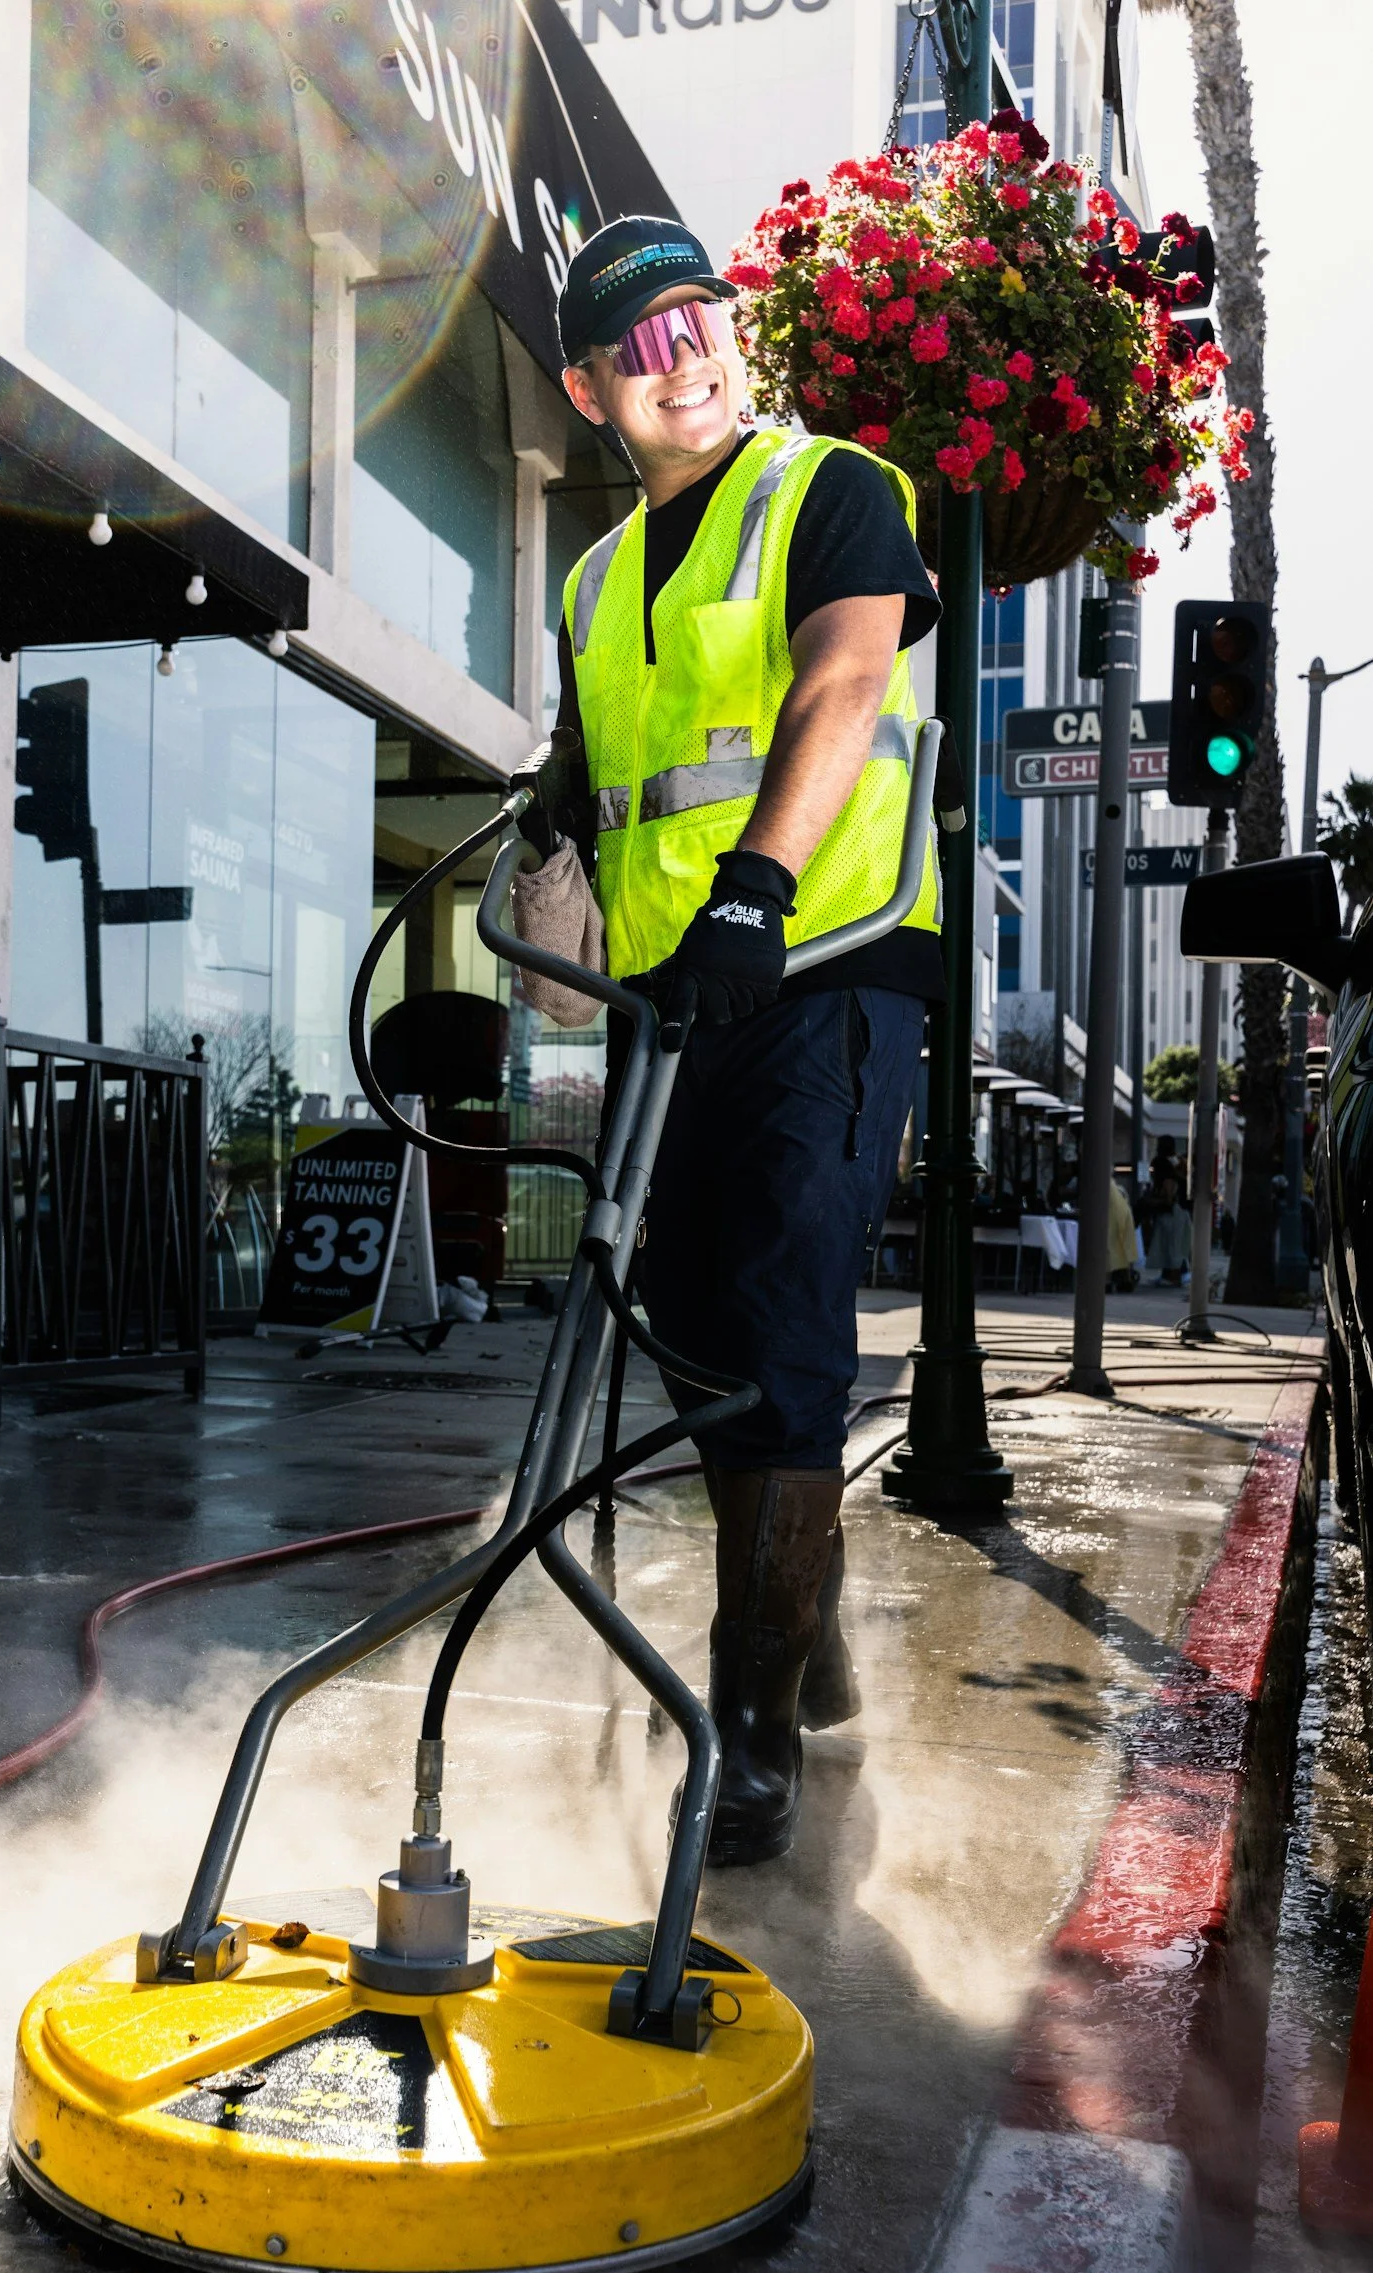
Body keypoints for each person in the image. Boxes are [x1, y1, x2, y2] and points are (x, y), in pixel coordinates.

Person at [545, 217, 942, 1865]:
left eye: (700, 320)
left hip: (826, 963)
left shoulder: (828, 489)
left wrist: (755, 891)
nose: (683, 356)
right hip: (672, 1007)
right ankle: (801, 1627)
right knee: (699, 1342)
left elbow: (842, 685)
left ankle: (753, 1727)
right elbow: (589, 791)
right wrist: (535, 860)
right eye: (638, 344)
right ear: (586, 390)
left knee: (780, 1328)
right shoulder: (585, 582)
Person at [1147, 1169, 1193, 1285]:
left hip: (1172, 1215)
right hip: (1175, 1214)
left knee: (1172, 1247)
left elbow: (1168, 1199)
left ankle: (1173, 1274)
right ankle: (1173, 1273)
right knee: (1176, 1246)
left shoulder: (1169, 1182)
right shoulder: (1179, 1182)